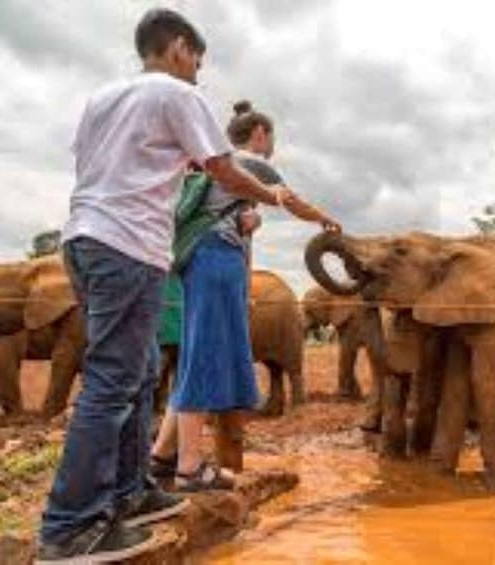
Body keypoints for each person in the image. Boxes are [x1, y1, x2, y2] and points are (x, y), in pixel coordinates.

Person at [36, 9, 325, 564]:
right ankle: (69, 526)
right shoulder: (176, 93)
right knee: (112, 381)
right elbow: (220, 169)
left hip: (88, 238)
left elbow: (100, 168)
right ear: (176, 47)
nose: (198, 69)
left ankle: (130, 495)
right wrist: (271, 199)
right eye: (197, 57)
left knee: (141, 373)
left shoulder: (102, 99)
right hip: (127, 245)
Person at [150, 101, 339, 489]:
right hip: (216, 260)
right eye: (271, 138)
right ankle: (189, 467)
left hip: (196, 260)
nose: (272, 146)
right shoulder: (250, 161)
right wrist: (324, 218)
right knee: (204, 356)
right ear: (259, 134)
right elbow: (291, 200)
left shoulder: (214, 163)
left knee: (191, 358)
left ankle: (162, 457)